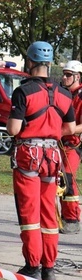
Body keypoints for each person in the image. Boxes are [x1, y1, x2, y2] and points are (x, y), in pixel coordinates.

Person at [6, 41, 75, 280]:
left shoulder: (23, 92)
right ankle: (49, 266)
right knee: (48, 212)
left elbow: (14, 128)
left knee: (29, 212)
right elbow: (69, 127)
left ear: (30, 61)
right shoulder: (65, 94)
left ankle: (32, 264)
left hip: (29, 155)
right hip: (52, 157)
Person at [59, 60, 82, 234]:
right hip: (60, 141)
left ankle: (72, 219)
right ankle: (60, 217)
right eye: (64, 74)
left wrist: (71, 130)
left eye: (68, 75)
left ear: (77, 76)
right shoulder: (62, 93)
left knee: (67, 179)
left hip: (74, 144)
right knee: (59, 180)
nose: (64, 77)